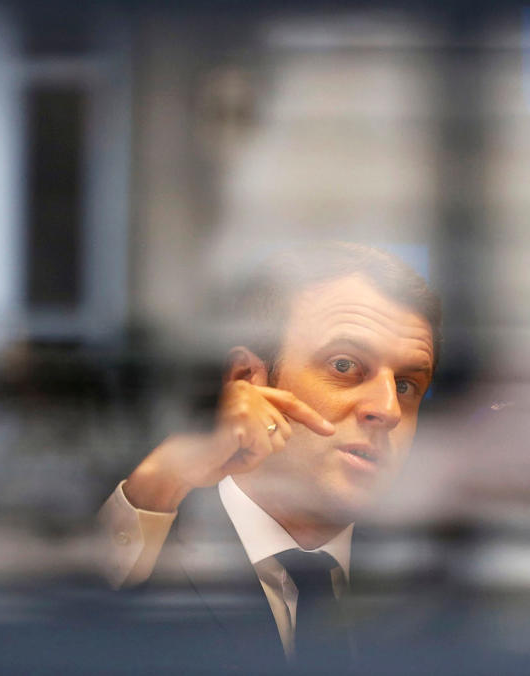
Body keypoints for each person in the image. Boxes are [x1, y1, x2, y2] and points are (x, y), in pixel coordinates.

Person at [97, 242, 441, 665]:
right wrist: (162, 478)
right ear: (246, 379)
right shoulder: (150, 558)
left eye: (407, 385)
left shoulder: (435, 589)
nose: (388, 410)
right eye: (345, 366)